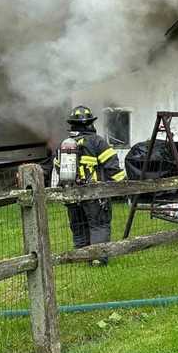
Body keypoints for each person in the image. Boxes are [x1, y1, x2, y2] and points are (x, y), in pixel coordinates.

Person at [55, 106, 126, 265]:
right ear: (89, 124)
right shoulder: (97, 142)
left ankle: (80, 256)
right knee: (99, 225)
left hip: (71, 193)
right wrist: (124, 186)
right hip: (94, 194)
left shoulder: (64, 145)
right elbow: (112, 167)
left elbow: (58, 168)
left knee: (78, 226)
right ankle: (97, 259)